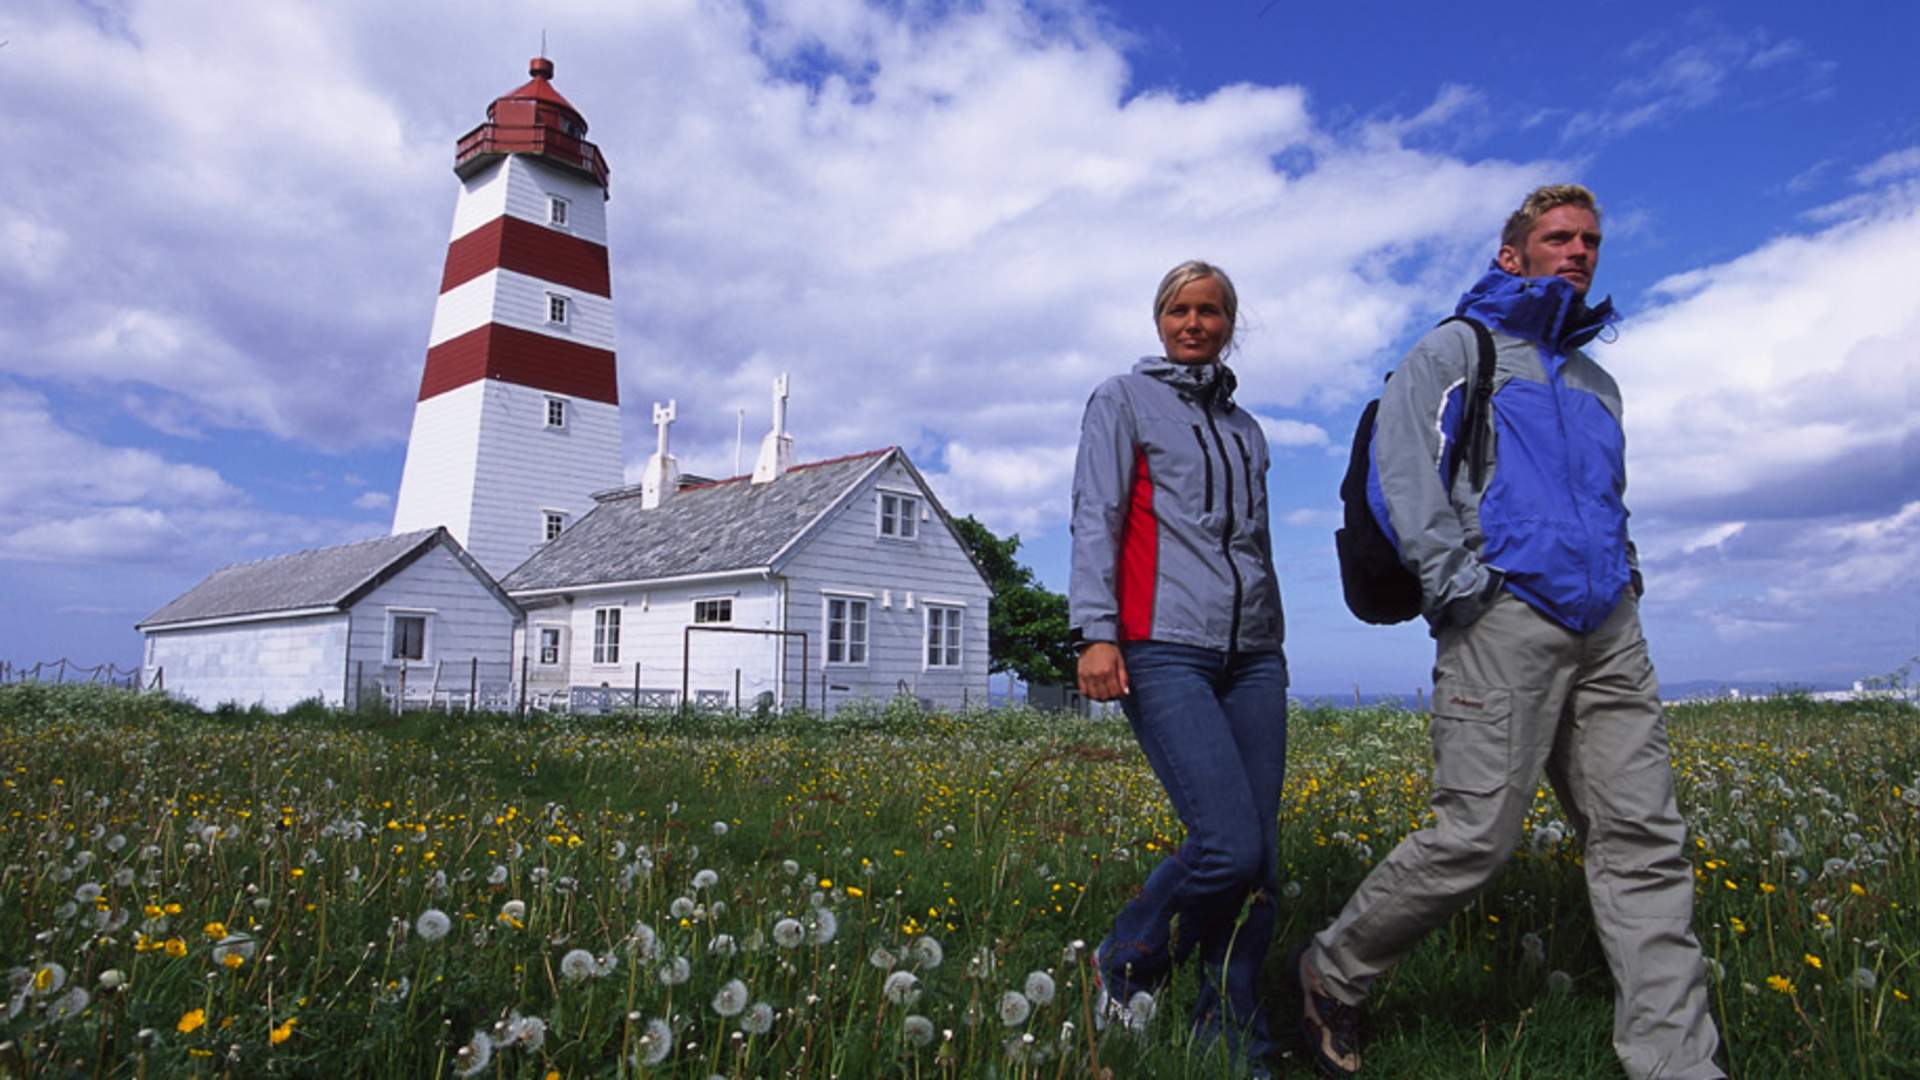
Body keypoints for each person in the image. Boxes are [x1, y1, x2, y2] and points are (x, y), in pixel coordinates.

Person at [1290, 185, 1724, 1079]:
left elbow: (1609, 500)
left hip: (1609, 629)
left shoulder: (1597, 383)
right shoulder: (1460, 349)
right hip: (1501, 617)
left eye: (1590, 240)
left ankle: (1677, 1063)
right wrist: (1459, 587)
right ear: (1512, 253)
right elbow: (1399, 473)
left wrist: (1627, 576)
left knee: (1644, 841)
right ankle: (1334, 970)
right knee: (1476, 836)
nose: (1578, 252)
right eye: (1558, 237)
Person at [1070, 259, 1289, 1075]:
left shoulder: (1247, 430)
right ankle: (1126, 958)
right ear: (1159, 320)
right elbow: (1097, 514)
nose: (1194, 324)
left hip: (1255, 656)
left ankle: (1232, 1040)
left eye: (1211, 311)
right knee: (1226, 845)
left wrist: (1275, 644)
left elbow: (1257, 548)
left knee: (1262, 864)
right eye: (1179, 311)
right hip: (1163, 646)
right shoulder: (1121, 400)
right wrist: (1095, 632)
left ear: (1230, 323)